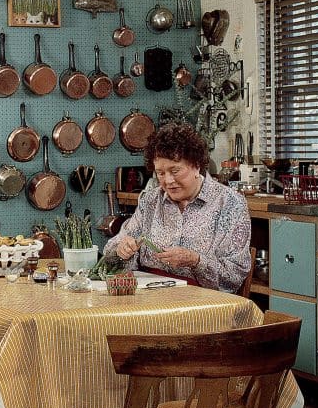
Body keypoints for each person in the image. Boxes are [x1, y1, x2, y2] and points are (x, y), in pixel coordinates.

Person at [105, 121, 251, 291]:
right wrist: (121, 250)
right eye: (160, 173)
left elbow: (233, 276)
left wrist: (196, 261)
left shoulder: (230, 203)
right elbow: (111, 253)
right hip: (149, 296)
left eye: (175, 171)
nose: (167, 181)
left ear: (197, 165)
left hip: (202, 301)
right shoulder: (151, 200)